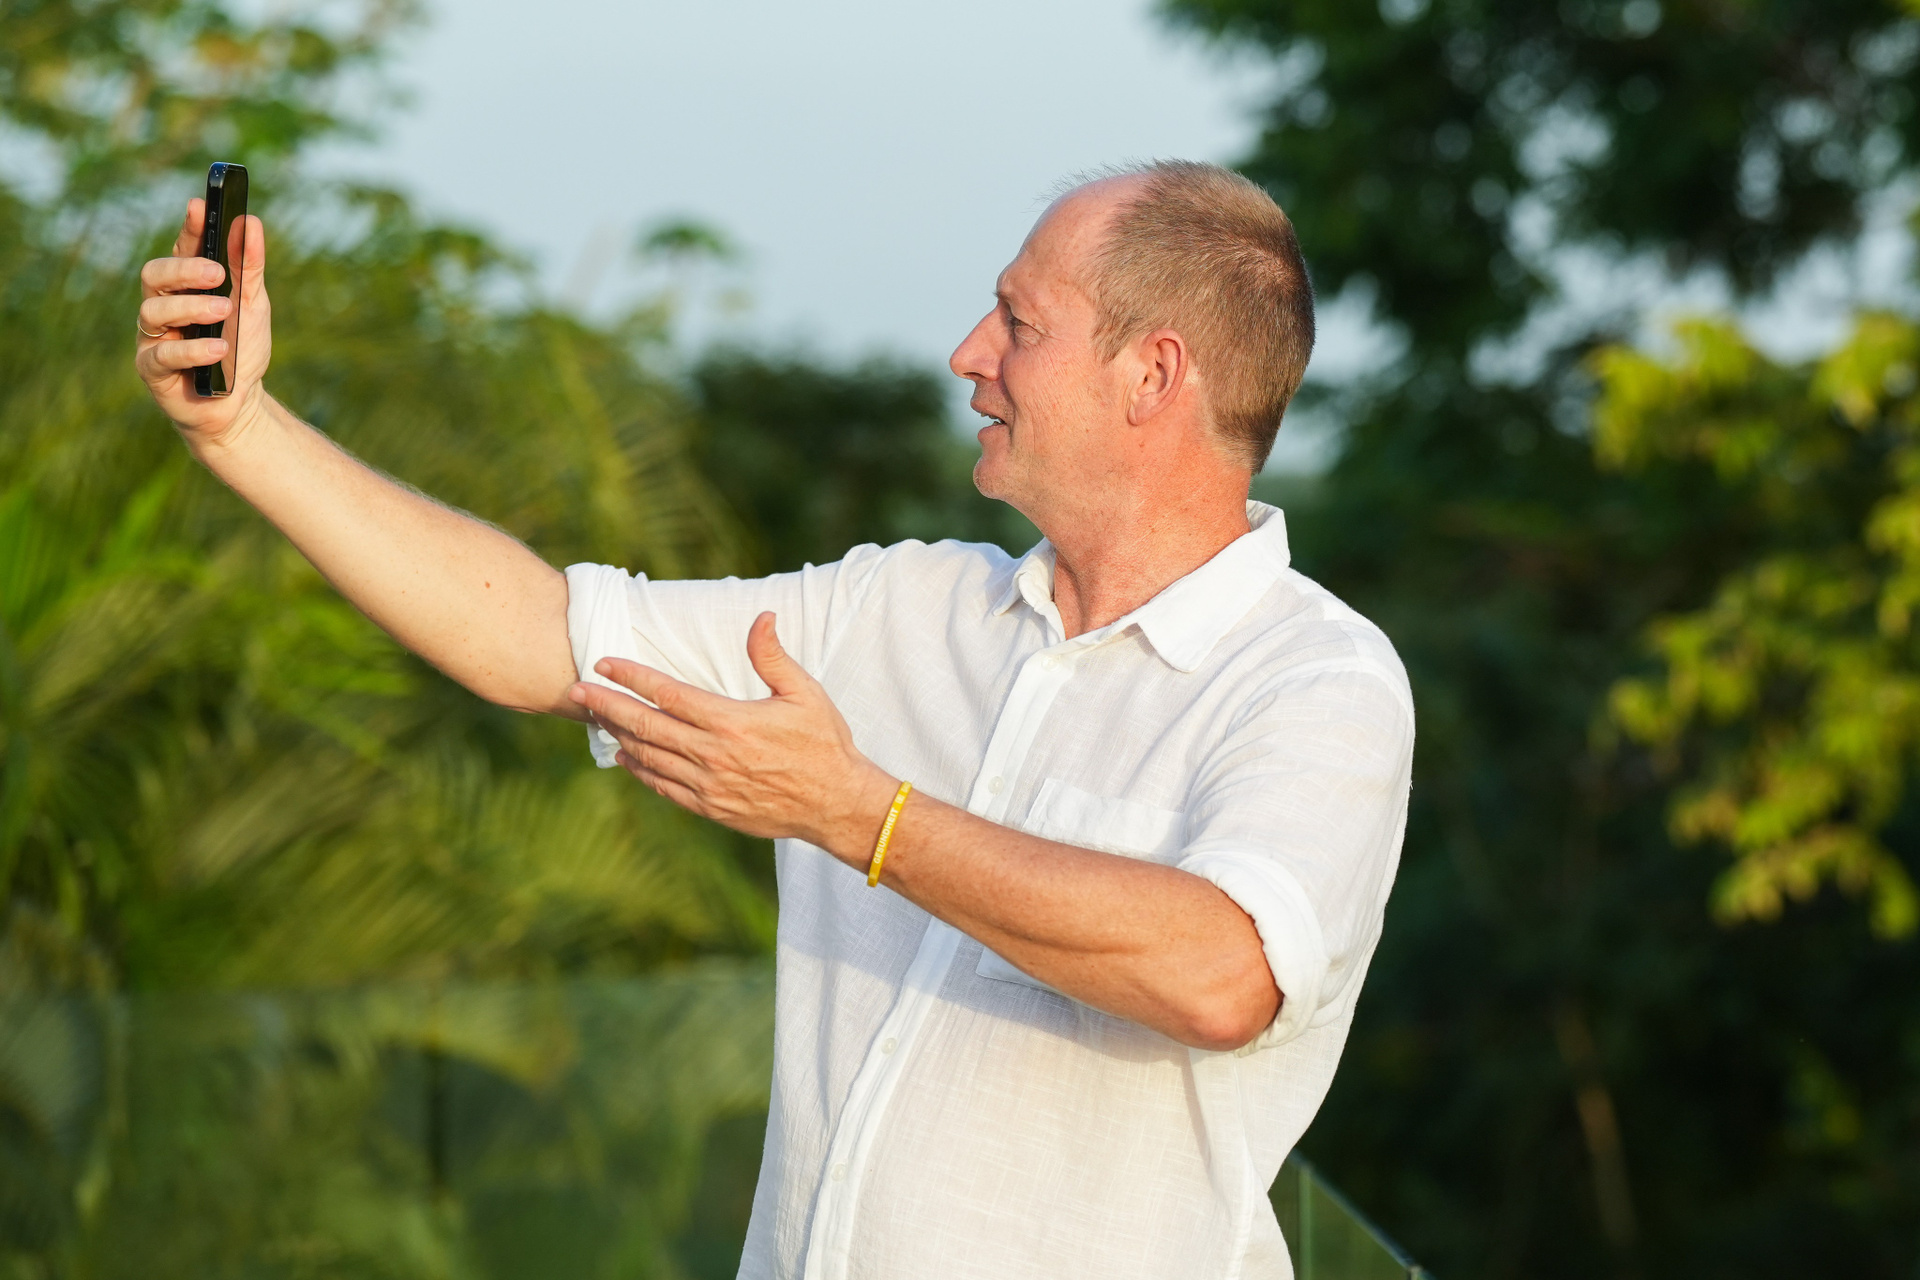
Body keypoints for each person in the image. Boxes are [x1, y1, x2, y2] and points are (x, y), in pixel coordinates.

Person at [133, 159, 1413, 1280]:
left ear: (1153, 374)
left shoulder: (1319, 680)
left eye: (1020, 322)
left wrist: (861, 816)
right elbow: (537, 634)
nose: (970, 352)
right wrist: (241, 427)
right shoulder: (900, 606)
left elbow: (1221, 972)